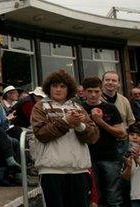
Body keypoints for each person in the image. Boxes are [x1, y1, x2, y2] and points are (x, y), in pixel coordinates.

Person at [31, 69, 99, 207]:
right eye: (55, 86)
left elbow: (94, 136)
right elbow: (41, 134)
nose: (58, 90)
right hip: (51, 170)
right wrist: (66, 121)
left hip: (79, 170)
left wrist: (80, 125)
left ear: (69, 89)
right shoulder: (40, 106)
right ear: (48, 88)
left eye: (62, 86)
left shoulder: (77, 107)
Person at [81, 76, 125, 207]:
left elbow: (122, 133)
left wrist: (101, 122)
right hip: (87, 157)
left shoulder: (110, 108)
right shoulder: (80, 108)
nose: (93, 95)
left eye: (96, 91)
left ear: (101, 91)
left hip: (109, 157)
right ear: (84, 92)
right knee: (94, 197)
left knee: (113, 196)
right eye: (90, 91)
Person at [121, 123, 140, 206]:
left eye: (139, 135)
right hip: (135, 196)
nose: (134, 137)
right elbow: (125, 178)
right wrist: (128, 167)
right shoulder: (127, 154)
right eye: (131, 134)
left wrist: (137, 158)